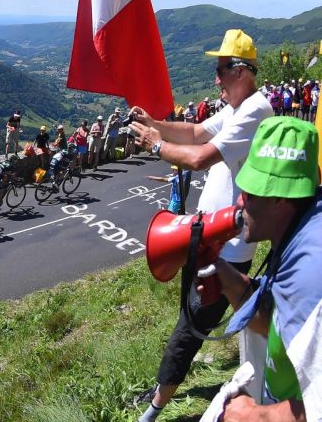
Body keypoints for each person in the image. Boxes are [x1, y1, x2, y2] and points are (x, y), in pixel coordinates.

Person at [129, 29, 273, 419]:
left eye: (221, 69)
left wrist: (155, 144)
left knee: (188, 328)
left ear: (241, 71)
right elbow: (194, 133)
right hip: (210, 238)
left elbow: (198, 157)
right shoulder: (236, 108)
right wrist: (154, 123)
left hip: (227, 247)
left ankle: (153, 409)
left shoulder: (255, 110)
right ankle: (253, 373)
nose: (216, 78)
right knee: (195, 319)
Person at [207, 116, 321, 420]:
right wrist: (224, 276)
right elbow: (276, 321)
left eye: (250, 193)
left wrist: (254, 415)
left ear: (279, 199)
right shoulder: (299, 231)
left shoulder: (311, 270)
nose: (239, 201)